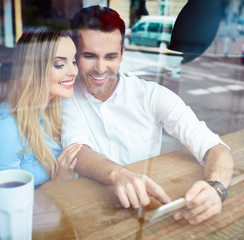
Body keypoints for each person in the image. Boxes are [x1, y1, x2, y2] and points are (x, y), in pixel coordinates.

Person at [61, 5, 233, 225]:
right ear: (75, 55)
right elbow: (77, 153)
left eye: (111, 56)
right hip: (89, 213)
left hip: (150, 211)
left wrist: (216, 188)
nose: (101, 68)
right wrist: (118, 175)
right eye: (90, 56)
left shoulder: (152, 95)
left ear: (123, 54)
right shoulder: (67, 95)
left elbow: (215, 147)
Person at [0, 27, 82, 188]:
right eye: (60, 64)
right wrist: (59, 181)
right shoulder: (5, 128)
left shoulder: (58, 108)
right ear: (34, 70)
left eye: (74, 61)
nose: (74, 71)